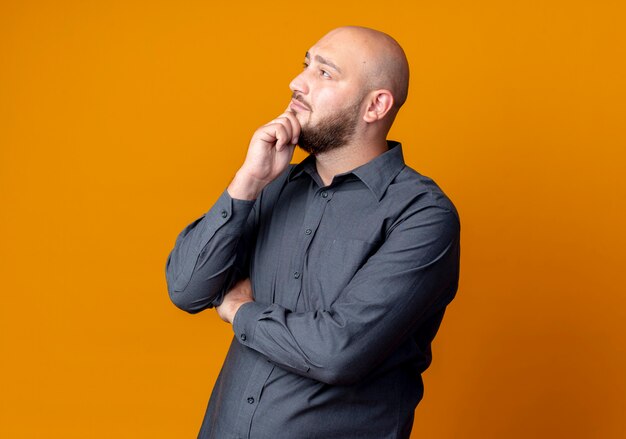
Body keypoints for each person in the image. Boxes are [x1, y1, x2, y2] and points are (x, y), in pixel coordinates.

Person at [165, 25, 460, 439]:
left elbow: (338, 351)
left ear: (375, 106)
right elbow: (186, 288)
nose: (296, 82)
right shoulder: (272, 185)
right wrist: (247, 181)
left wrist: (240, 311)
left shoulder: (421, 215)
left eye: (324, 73)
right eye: (305, 64)